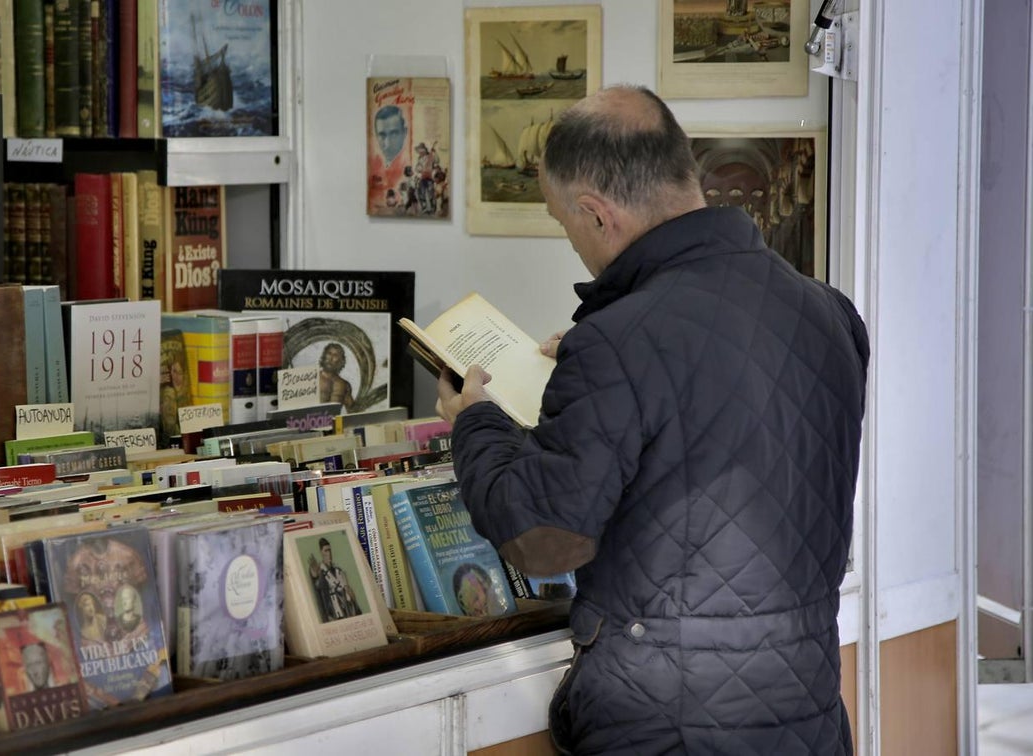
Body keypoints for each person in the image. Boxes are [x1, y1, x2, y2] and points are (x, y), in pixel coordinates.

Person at [436, 85, 868, 755]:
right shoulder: (828, 313)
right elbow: (719, 424)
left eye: (562, 221)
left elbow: (547, 540)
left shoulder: (617, 342)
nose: (572, 239)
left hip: (670, 726)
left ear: (595, 213)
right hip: (808, 714)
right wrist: (592, 381)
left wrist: (477, 422)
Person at [307, 537, 362, 622]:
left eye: (330, 550)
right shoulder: (320, 570)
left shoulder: (338, 571)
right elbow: (318, 585)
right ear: (321, 552)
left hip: (347, 610)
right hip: (334, 614)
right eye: (326, 550)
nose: (329, 553)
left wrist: (352, 597)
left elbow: (348, 591)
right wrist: (315, 575)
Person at [317, 342, 355, 411]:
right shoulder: (313, 378)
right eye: (329, 354)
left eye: (335, 355)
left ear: (341, 360)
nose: (331, 358)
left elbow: (353, 412)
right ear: (324, 356)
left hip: (336, 421)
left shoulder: (345, 385)